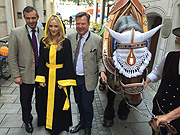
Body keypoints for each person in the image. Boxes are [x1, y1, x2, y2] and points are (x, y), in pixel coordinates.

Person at [35, 14, 77, 135]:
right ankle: (48, 125)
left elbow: (68, 62)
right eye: (51, 26)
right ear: (47, 27)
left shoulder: (66, 42)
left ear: (60, 27)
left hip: (60, 78)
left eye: (56, 26)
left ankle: (58, 127)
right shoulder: (44, 42)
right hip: (47, 76)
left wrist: (64, 82)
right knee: (46, 102)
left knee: (59, 103)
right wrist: (41, 78)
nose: (53, 29)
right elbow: (42, 61)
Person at [67, 12, 107, 135]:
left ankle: (88, 127)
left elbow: (100, 59)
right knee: (79, 103)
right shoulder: (70, 38)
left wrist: (102, 71)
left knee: (87, 105)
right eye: (78, 23)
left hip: (88, 79)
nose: (80, 26)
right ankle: (81, 123)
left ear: (88, 24)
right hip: (74, 78)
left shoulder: (97, 39)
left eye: (83, 23)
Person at [8, 6, 44, 133]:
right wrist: (16, 75)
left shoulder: (43, 32)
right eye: (28, 18)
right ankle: (27, 121)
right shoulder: (16, 33)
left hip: (41, 75)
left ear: (37, 17)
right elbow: (11, 57)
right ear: (24, 18)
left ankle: (42, 119)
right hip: (24, 75)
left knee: (41, 99)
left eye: (33, 18)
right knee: (25, 100)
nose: (31, 21)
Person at [145, 27, 180, 135]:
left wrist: (167, 117)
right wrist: (146, 80)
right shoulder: (170, 56)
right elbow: (157, 73)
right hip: (159, 110)